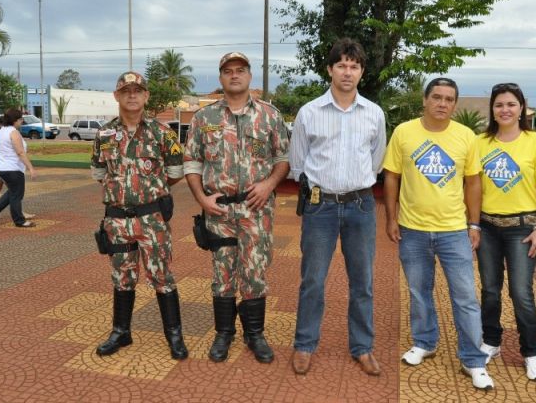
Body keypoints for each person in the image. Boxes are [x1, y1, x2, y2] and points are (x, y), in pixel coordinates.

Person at [382, 77, 495, 390]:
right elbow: (391, 176)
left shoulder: (465, 136)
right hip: (413, 229)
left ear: (455, 104)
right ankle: (424, 342)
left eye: (449, 99)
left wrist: (474, 224)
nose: (442, 103)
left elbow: (473, 182)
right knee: (419, 291)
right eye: (437, 97)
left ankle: (473, 359)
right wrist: (391, 218)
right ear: (425, 99)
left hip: (454, 231)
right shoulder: (404, 132)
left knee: (465, 297)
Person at [183, 52, 289, 364]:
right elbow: (192, 162)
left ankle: (255, 334)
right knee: (222, 273)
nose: (234, 75)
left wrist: (269, 184)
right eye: (228, 71)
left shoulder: (269, 115)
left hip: (256, 210)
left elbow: (283, 159)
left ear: (249, 75)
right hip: (219, 212)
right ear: (221, 78)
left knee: (255, 273)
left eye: (240, 70)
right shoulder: (204, 118)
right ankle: (224, 333)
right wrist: (201, 199)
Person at [289, 38, 386, 376]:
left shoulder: (374, 113)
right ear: (329, 69)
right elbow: (298, 163)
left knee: (363, 282)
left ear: (362, 72)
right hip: (320, 208)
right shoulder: (309, 113)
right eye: (341, 65)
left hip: (361, 206)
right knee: (313, 280)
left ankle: (362, 347)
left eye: (354, 66)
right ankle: (304, 345)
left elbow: (376, 161)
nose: (347, 72)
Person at [90, 71, 188, 360]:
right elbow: (99, 173)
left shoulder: (163, 133)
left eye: (137, 90)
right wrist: (124, 192)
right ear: (116, 96)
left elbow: (175, 172)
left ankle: (174, 335)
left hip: (151, 219)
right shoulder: (104, 134)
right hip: (118, 220)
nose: (131, 95)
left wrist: (148, 191)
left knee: (162, 275)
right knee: (122, 276)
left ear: (146, 96)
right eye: (125, 91)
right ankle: (121, 331)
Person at [476, 83, 536, 382]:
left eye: (511, 104)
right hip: (487, 227)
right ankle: (491, 341)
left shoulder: (535, 142)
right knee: (489, 290)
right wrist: (472, 224)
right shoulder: (480, 142)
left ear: (521, 107)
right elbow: (471, 185)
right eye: (499, 104)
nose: (505, 110)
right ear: (492, 109)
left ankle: (531, 352)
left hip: (522, 229)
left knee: (521, 292)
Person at [0, 108, 36, 227]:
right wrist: (31, 168)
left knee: (12, 193)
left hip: (3, 168)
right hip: (13, 169)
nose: (22, 121)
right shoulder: (13, 132)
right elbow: (20, 152)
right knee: (17, 195)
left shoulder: (1, 131)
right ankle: (19, 221)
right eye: (21, 119)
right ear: (15, 120)